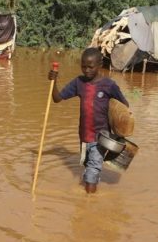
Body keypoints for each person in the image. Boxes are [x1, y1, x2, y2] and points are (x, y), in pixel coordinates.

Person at [48, 47, 129, 193]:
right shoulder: (79, 83)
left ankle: (88, 203)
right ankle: (91, 191)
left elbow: (124, 108)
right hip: (84, 136)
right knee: (88, 166)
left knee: (92, 171)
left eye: (90, 67)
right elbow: (57, 98)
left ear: (100, 65)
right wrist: (53, 81)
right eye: (83, 66)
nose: (86, 70)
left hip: (101, 138)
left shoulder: (109, 85)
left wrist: (119, 131)